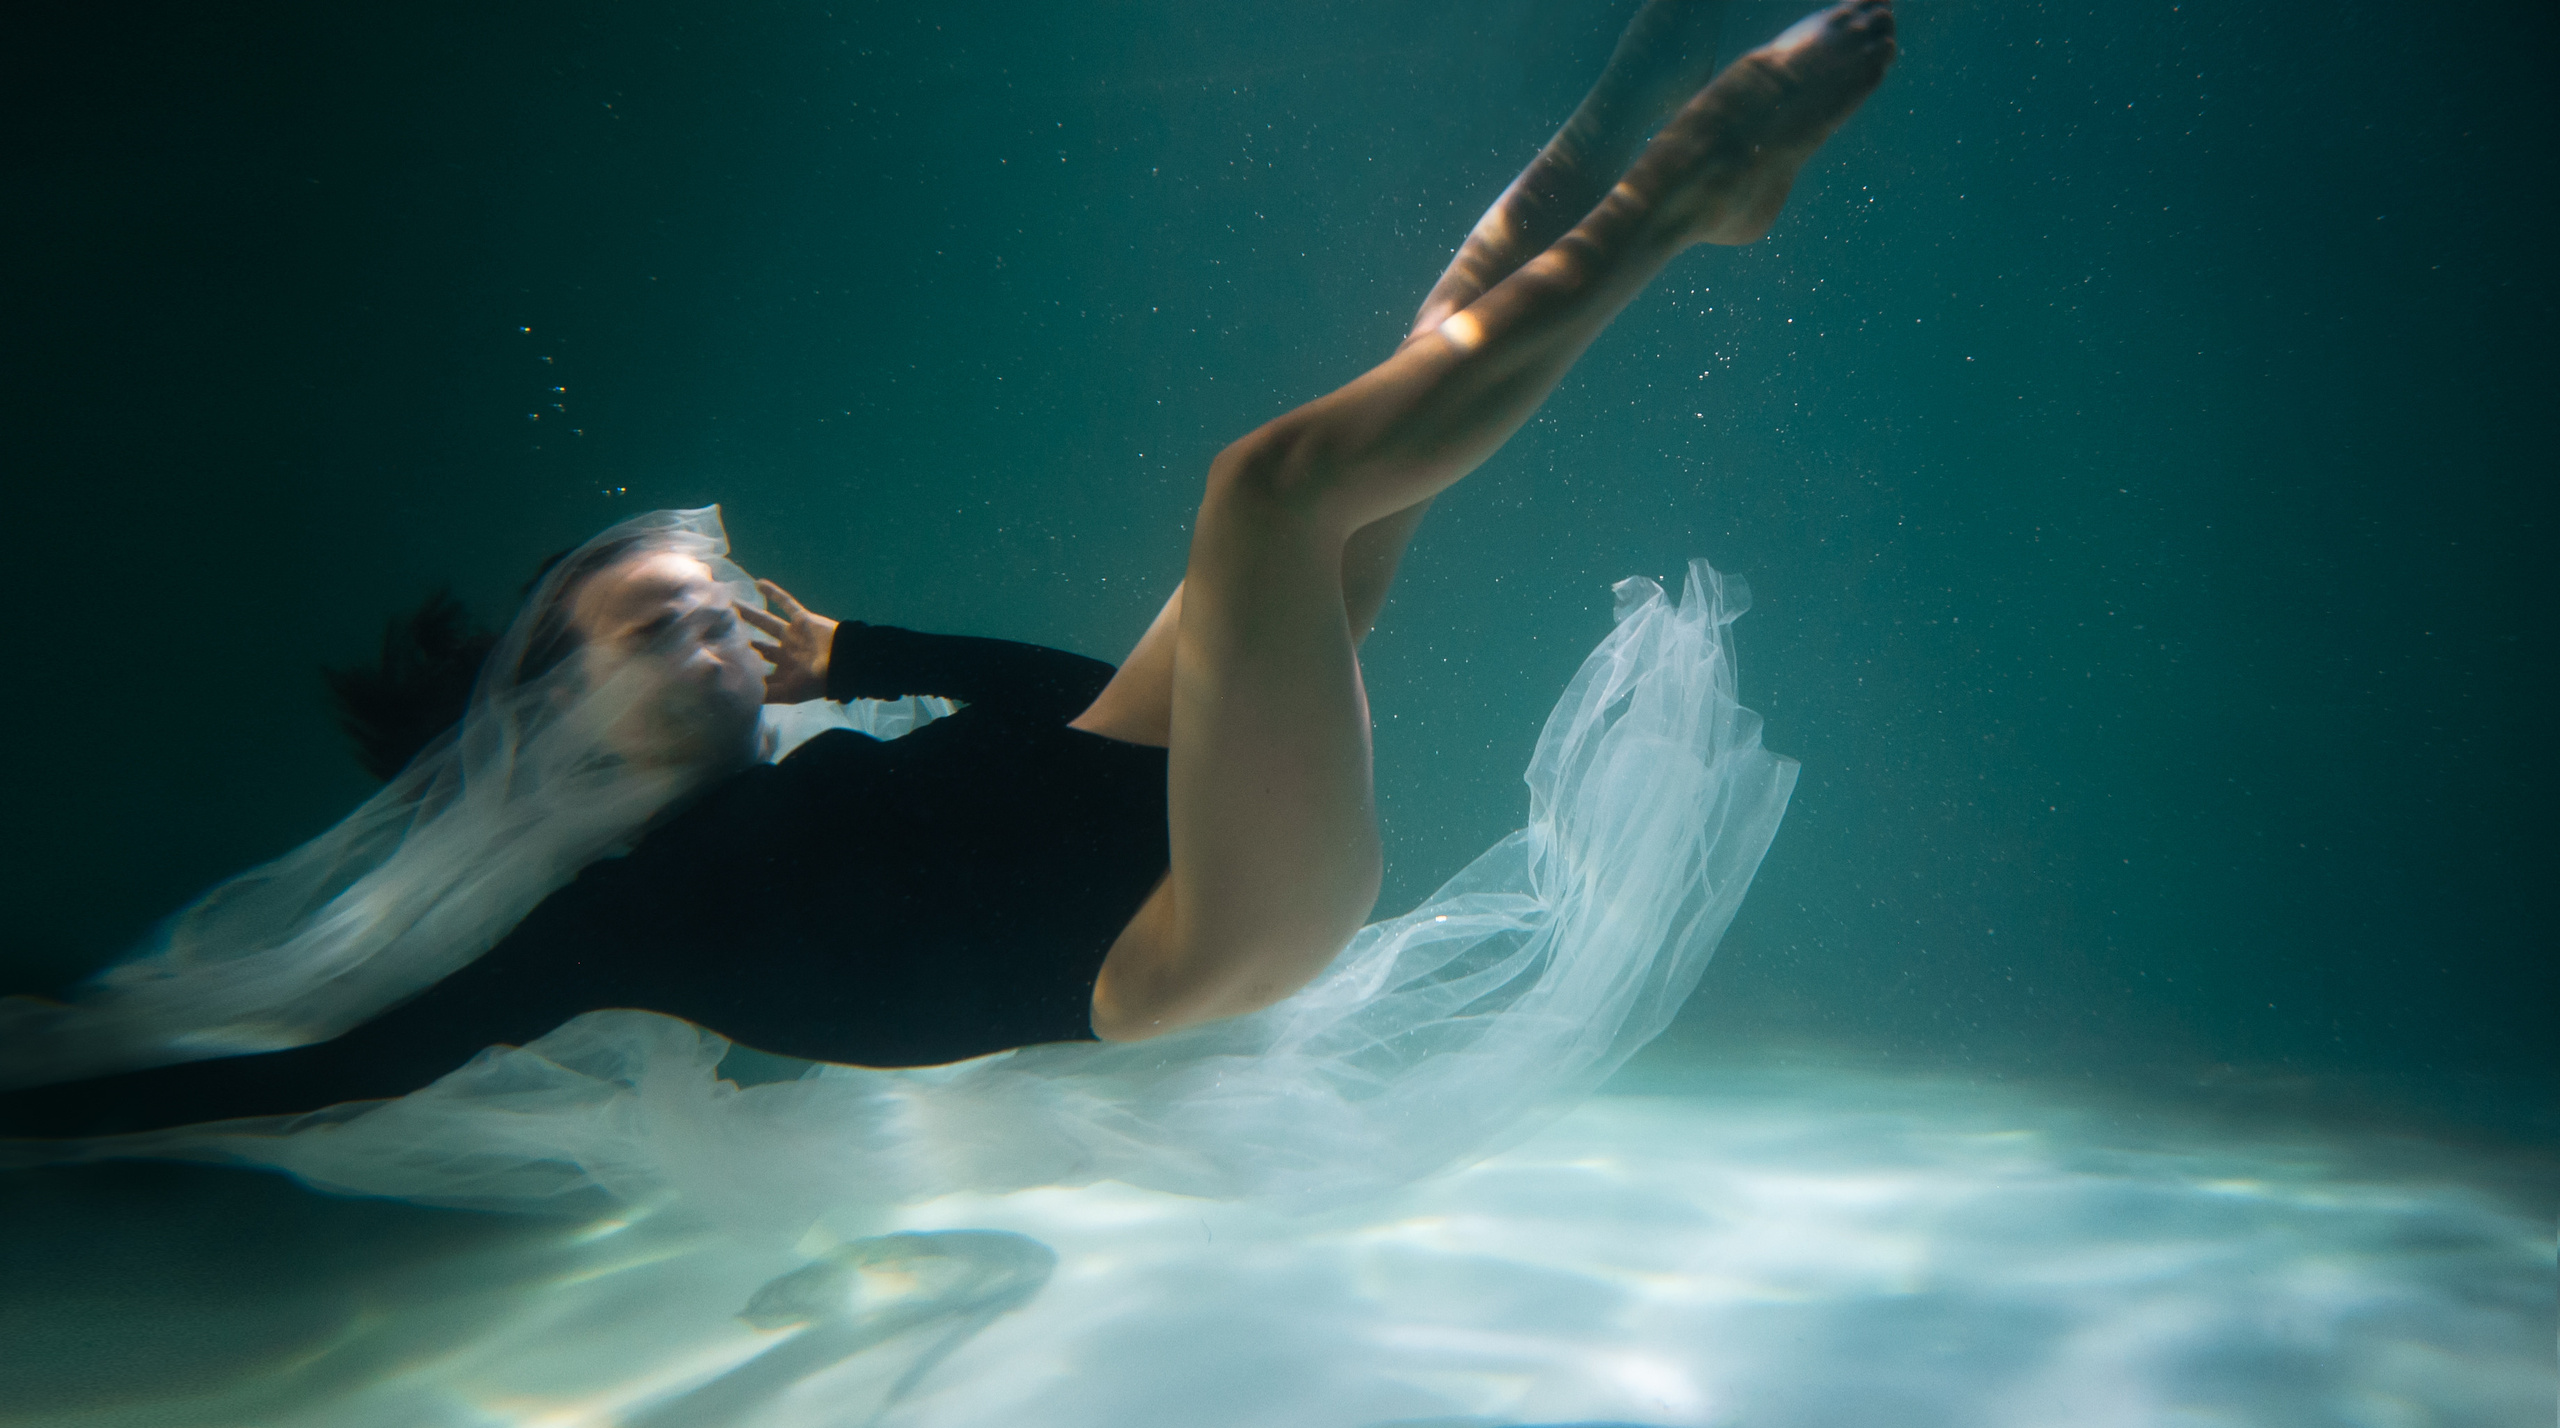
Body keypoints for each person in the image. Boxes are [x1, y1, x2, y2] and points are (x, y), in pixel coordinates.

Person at [0, 0, 1893, 1144]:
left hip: (1156, 797)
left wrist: (859, 653)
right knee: (1268, 494)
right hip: (1203, 933)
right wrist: (82, 1113)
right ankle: (1684, 206)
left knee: (1393, 385)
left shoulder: (822, 761)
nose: (714, 622)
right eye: (658, 628)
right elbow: (361, 1061)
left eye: (695, 599)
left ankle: (1603, 154)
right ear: (575, 728)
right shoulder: (623, 923)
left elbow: (1072, 712)